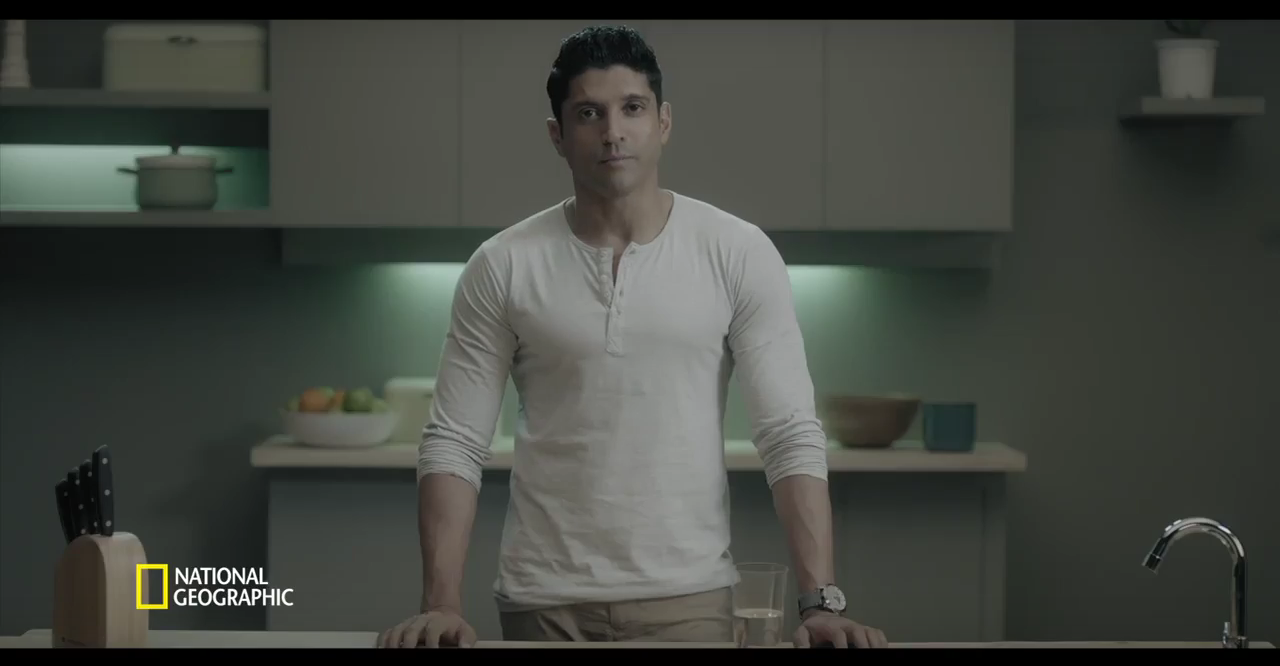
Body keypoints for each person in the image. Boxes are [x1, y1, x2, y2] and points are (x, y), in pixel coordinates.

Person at [377, 25, 888, 650]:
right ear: (557, 135)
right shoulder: (502, 264)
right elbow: (455, 441)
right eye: (589, 113)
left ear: (663, 122)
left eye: (633, 108)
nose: (613, 132)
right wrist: (440, 605)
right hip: (542, 605)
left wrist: (820, 603)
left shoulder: (737, 252)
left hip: (690, 601)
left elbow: (788, 433)